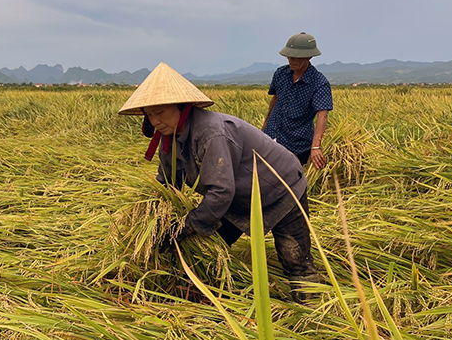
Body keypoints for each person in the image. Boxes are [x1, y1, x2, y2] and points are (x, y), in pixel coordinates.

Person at [119, 62, 321, 302]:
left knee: (293, 256)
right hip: (239, 196)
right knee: (210, 244)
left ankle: (309, 304)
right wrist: (155, 219)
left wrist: (186, 225)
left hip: (280, 185)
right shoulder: (169, 138)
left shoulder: (211, 132)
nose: (155, 121)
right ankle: (208, 291)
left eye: (160, 112)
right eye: (149, 114)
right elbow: (167, 183)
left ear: (182, 107)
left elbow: (221, 192)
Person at [262, 32, 333, 169]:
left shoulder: (319, 82)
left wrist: (316, 146)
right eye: (289, 56)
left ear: (309, 56)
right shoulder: (280, 74)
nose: (291, 60)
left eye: (296, 57)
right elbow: (275, 100)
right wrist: (264, 128)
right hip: (271, 135)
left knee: (289, 180)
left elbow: (322, 115)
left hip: (296, 143)